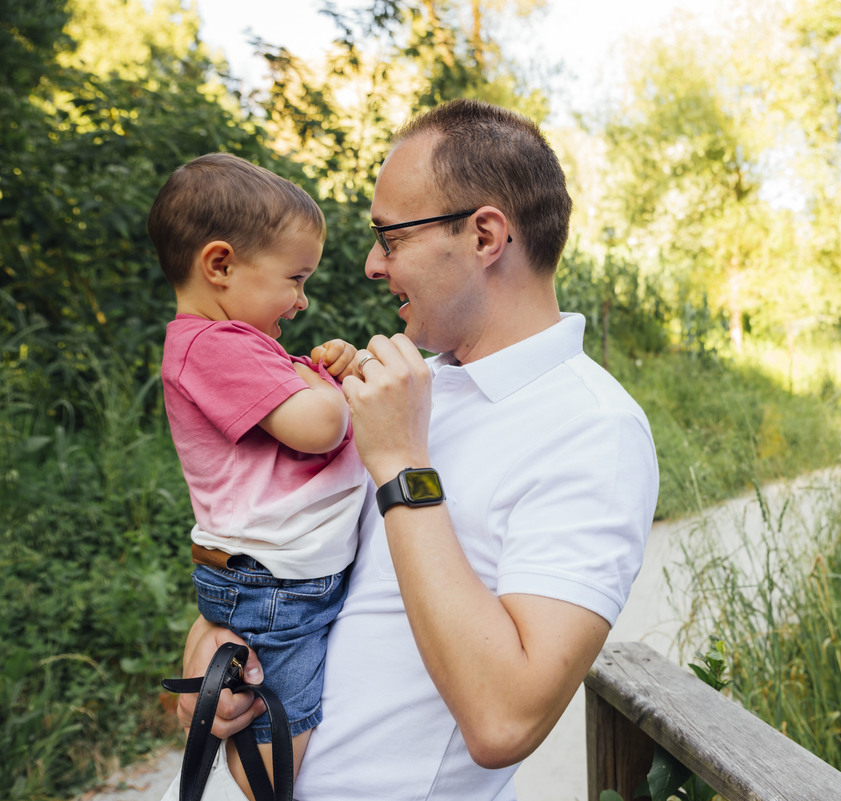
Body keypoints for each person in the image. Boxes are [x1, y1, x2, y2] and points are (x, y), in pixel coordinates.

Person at [168, 98, 659, 800]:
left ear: (486, 235)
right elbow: (283, 569)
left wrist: (402, 466)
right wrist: (209, 653)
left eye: (390, 237)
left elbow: (505, 718)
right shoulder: (410, 385)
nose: (371, 264)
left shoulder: (594, 429)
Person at [147, 153, 371, 796]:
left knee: (278, 712)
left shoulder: (236, 343)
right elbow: (320, 427)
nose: (302, 302)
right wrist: (322, 380)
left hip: (279, 578)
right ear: (220, 265)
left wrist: (323, 373)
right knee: (279, 747)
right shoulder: (210, 347)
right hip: (278, 587)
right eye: (295, 279)